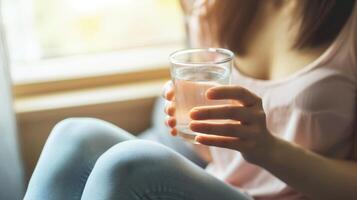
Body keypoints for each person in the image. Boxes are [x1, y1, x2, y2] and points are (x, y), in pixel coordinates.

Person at [24, 0, 357, 199]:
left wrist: (266, 149)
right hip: (223, 187)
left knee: (128, 165)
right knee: (75, 136)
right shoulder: (217, 8)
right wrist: (196, 124)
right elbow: (216, 155)